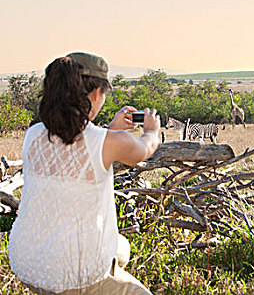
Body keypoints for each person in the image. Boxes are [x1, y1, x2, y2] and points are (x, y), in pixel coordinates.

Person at [9, 52, 160, 294]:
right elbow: (142, 150)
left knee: (122, 249)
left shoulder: (33, 135)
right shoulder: (107, 142)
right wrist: (152, 130)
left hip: (26, 261)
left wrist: (110, 129)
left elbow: (78, 150)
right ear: (96, 93)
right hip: (74, 274)